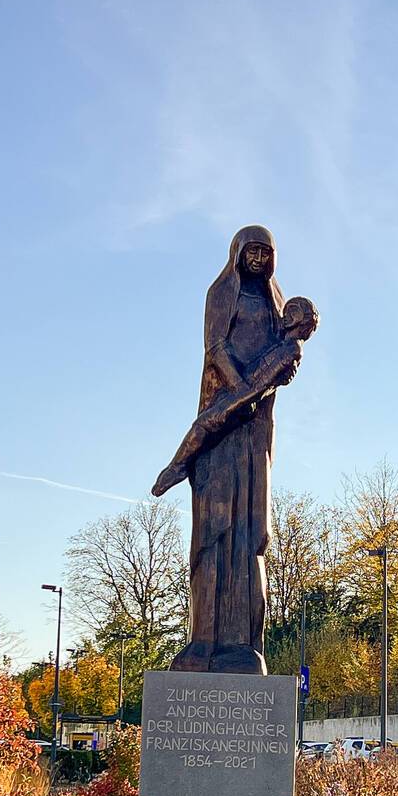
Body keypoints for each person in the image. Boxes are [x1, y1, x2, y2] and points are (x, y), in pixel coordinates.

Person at [156, 226, 318, 673]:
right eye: (251, 250)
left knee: (251, 532)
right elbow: (216, 347)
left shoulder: (277, 309)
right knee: (214, 527)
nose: (257, 258)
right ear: (237, 253)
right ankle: (203, 641)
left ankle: (244, 647)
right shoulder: (221, 293)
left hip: (254, 430)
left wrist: (255, 392)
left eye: (266, 253)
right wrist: (240, 386)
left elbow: (284, 359)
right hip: (222, 414)